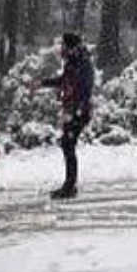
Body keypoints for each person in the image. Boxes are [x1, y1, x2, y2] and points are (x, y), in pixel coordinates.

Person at [39, 32, 95, 199]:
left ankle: (70, 186)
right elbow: (63, 81)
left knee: (68, 144)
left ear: (71, 47)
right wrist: (43, 83)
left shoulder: (82, 63)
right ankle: (70, 185)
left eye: (64, 46)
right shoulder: (74, 62)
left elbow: (84, 88)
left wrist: (74, 109)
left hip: (78, 110)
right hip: (73, 109)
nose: (61, 49)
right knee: (67, 144)